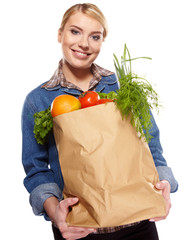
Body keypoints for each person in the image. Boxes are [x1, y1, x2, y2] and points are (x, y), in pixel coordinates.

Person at [21, 3, 178, 240]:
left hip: (138, 224)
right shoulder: (39, 100)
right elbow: (37, 170)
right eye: (75, 32)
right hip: (79, 230)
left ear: (103, 40)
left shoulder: (123, 87)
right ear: (60, 34)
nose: (84, 43)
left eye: (95, 36)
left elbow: (151, 145)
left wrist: (163, 184)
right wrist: (57, 214)